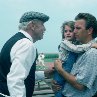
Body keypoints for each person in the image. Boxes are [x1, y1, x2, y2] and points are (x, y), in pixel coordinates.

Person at [0, 11, 49, 97]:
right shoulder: (26, 45)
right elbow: (16, 79)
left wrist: (45, 73)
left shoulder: (15, 40)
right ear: (32, 26)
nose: (44, 29)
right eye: (42, 24)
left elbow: (20, 73)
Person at [54, 13, 97, 97]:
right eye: (74, 28)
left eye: (78, 28)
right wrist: (57, 83)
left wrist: (60, 70)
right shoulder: (80, 50)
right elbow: (72, 74)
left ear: (89, 30)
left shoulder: (92, 53)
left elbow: (80, 85)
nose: (74, 31)